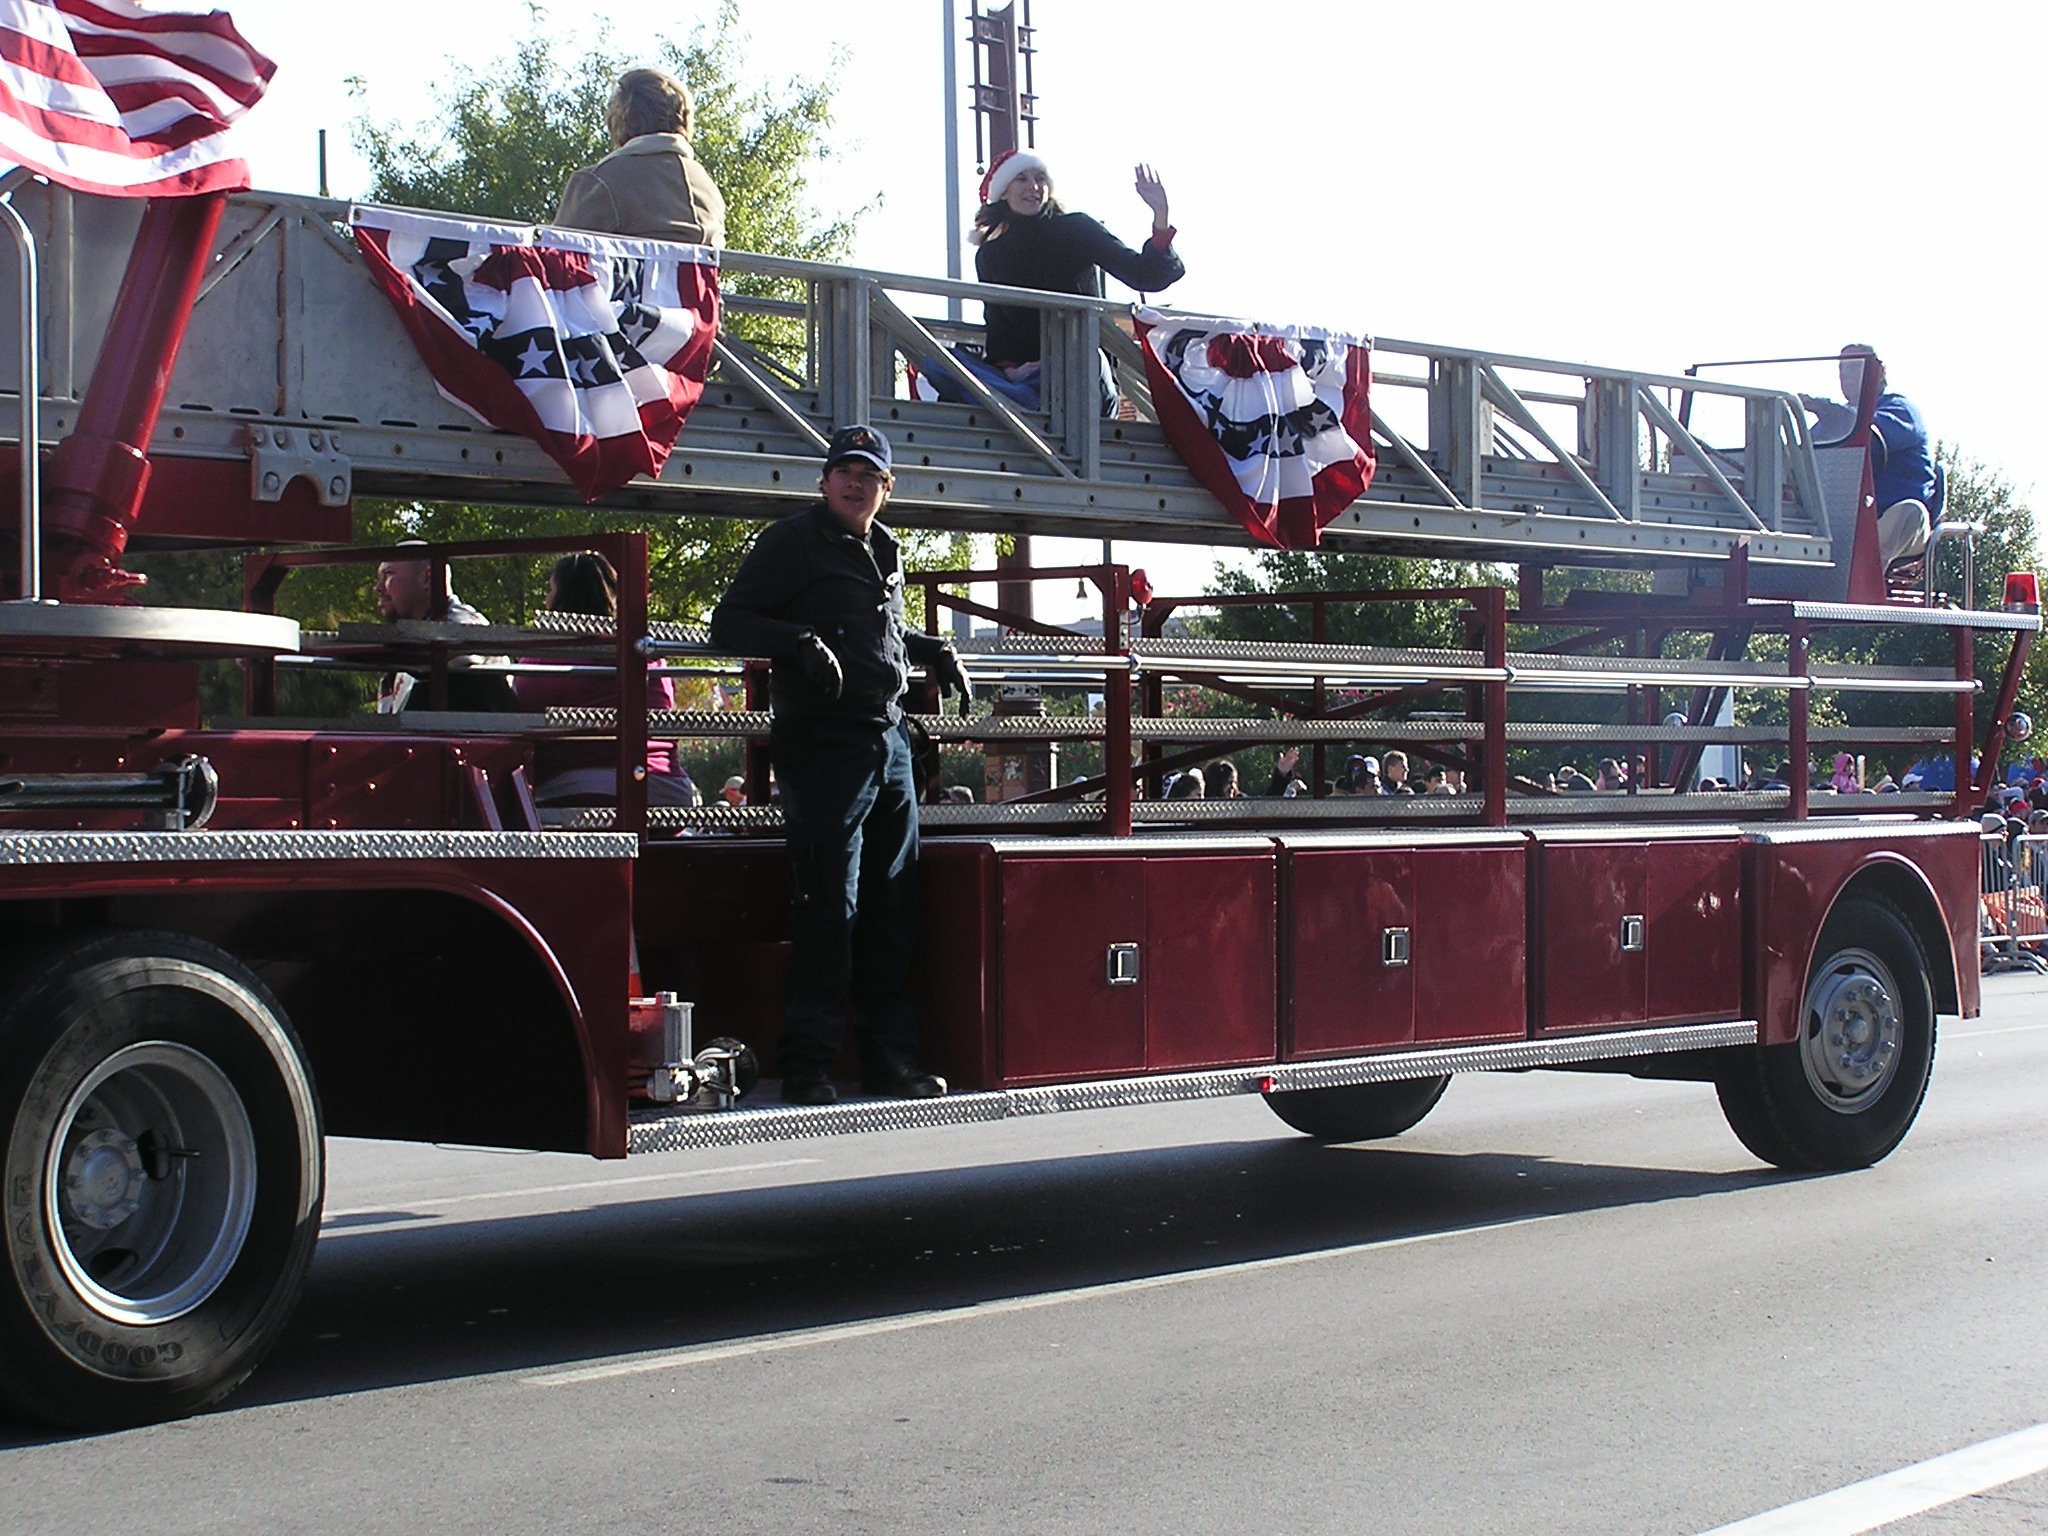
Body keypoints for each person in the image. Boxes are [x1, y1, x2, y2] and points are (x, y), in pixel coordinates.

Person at [709, 425, 971, 1105]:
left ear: (888, 489)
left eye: (870, 476)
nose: (856, 484)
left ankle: (890, 1064)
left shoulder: (884, 549)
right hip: (823, 744)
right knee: (831, 910)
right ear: (824, 482)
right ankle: (809, 1068)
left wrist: (930, 647)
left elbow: (870, 632)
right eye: (845, 472)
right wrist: (797, 642)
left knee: (893, 912)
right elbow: (729, 623)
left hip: (885, 743)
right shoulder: (791, 541)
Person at [935, 150, 1184, 413]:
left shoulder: (1077, 229)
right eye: (1021, 179)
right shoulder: (990, 254)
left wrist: (1161, 217)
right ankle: (1017, 392)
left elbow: (1145, 275)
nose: (1033, 187)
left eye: (1040, 178)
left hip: (1084, 377)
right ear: (1003, 192)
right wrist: (1013, 370)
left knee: (1078, 360)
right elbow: (999, 324)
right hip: (1028, 383)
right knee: (944, 362)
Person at [511, 551, 698, 807]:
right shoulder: (646, 653)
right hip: (669, 788)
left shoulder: (546, 657)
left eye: (550, 589)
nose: (546, 599)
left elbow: (522, 716)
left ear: (561, 595)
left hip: (585, 787)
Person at [553, 68, 727, 247]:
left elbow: (560, 261)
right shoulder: (709, 191)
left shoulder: (596, 182)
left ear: (619, 118)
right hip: (693, 275)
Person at [1803, 344, 1938, 570]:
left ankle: (1863, 582)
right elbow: (1805, 457)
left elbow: (1870, 439)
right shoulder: (1836, 420)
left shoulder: (1900, 409)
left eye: (1854, 368)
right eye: (1842, 369)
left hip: (1895, 520)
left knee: (1908, 511)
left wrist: (1824, 407)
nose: (1845, 376)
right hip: (1846, 519)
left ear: (1879, 373)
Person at [374, 542, 519, 713]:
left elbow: (455, 650)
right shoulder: (410, 645)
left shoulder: (463, 625)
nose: (378, 588)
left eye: (388, 575)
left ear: (428, 577)